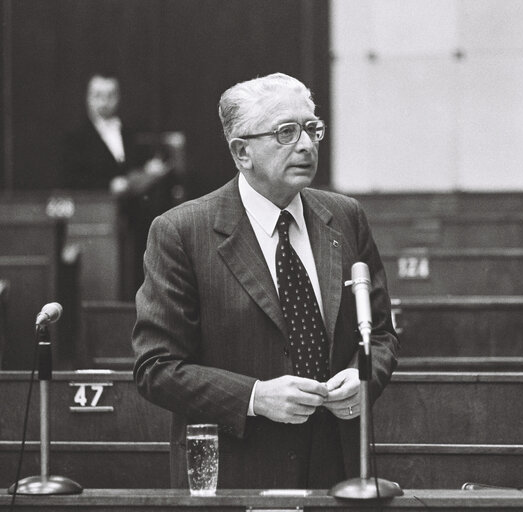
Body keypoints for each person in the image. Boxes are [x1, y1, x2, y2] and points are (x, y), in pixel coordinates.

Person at [131, 73, 399, 489]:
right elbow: (156, 368)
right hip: (239, 472)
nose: (307, 145)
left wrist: (364, 378)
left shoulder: (345, 217)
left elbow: (380, 334)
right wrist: (255, 397)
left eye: (312, 128)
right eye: (286, 132)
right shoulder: (182, 232)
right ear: (242, 152)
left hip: (341, 469)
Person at [60, 73, 181, 298]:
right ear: (88, 98)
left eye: (110, 95)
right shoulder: (75, 139)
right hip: (96, 224)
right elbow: (72, 180)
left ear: (118, 98)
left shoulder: (129, 133)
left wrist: (148, 173)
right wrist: (110, 185)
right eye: (97, 95)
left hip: (134, 222)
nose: (104, 102)